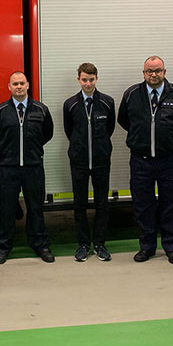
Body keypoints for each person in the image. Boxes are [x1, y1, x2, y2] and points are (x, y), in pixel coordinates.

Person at [118, 56, 173, 265]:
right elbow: (124, 120)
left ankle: (171, 248)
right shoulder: (132, 94)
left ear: (164, 71)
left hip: (168, 159)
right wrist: (140, 137)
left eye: (157, 71)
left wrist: (169, 136)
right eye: (149, 71)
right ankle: (147, 246)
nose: (153, 75)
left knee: (170, 204)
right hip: (140, 161)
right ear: (143, 73)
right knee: (143, 205)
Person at [0, 71, 55, 264]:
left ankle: (40, 245)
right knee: (7, 209)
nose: (18, 87)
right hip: (8, 168)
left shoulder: (41, 110)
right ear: (9, 87)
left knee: (35, 208)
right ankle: (2, 247)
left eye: (22, 83)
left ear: (28, 86)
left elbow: (47, 134)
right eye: (15, 84)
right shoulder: (0, 111)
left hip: (33, 167)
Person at [63, 62, 116, 262]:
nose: (88, 83)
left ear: (96, 79)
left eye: (91, 79)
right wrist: (79, 148)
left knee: (102, 204)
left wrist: (100, 147)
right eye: (84, 79)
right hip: (79, 161)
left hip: (102, 160)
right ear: (78, 80)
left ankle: (100, 244)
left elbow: (109, 129)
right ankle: (83, 244)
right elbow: (70, 131)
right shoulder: (70, 104)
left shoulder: (108, 102)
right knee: (80, 204)